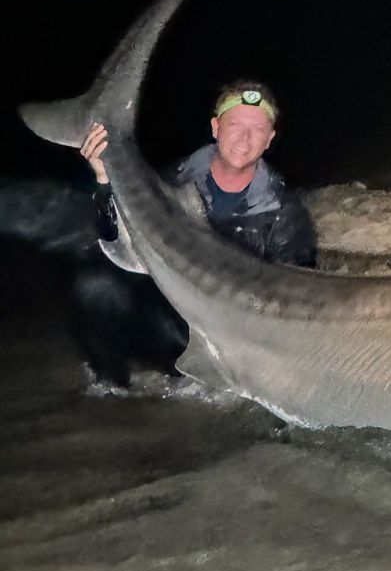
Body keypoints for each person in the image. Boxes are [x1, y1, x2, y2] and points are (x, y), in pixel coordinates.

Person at [72, 80, 317, 386]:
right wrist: (104, 178)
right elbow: (111, 238)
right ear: (216, 128)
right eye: (235, 124)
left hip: (237, 331)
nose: (245, 137)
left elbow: (301, 294)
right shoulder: (169, 184)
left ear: (269, 139)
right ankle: (114, 393)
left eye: (257, 128)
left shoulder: (287, 213)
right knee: (94, 287)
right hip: (171, 317)